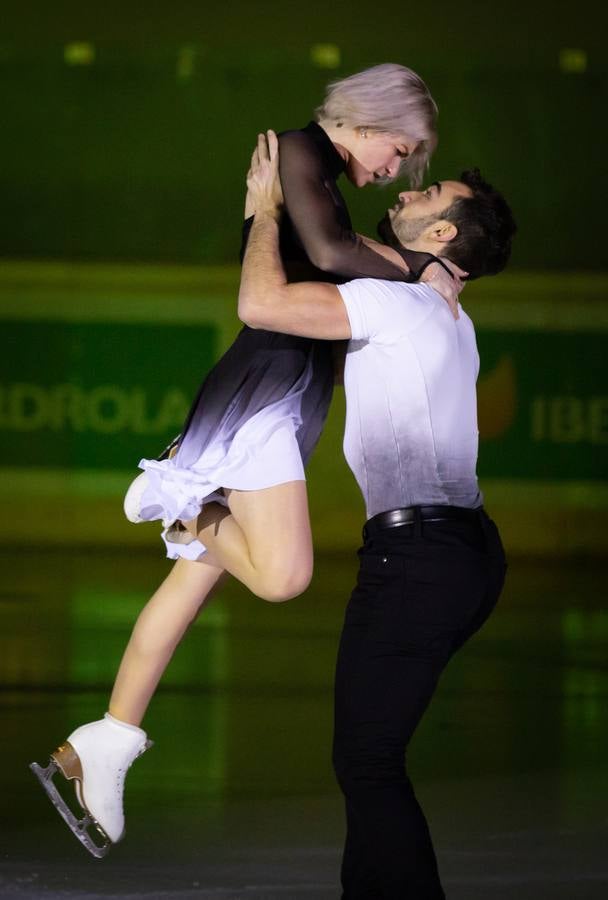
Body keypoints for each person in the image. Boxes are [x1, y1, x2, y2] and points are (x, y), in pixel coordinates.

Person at [30, 64, 462, 859]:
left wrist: (411, 267)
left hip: (286, 391)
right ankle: (178, 492)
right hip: (266, 387)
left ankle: (106, 740)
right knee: (284, 575)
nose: (395, 170)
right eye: (398, 152)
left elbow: (335, 247)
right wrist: (421, 268)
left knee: (195, 580)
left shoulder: (320, 176)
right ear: (366, 123)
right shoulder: (300, 151)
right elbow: (331, 249)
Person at [233, 132, 516, 899]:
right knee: (368, 757)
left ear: (445, 233)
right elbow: (342, 244)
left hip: (419, 558)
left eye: (424, 197)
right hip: (463, 555)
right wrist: (301, 199)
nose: (403, 194)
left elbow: (260, 303)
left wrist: (264, 214)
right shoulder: (451, 317)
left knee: (367, 762)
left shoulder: (399, 307)